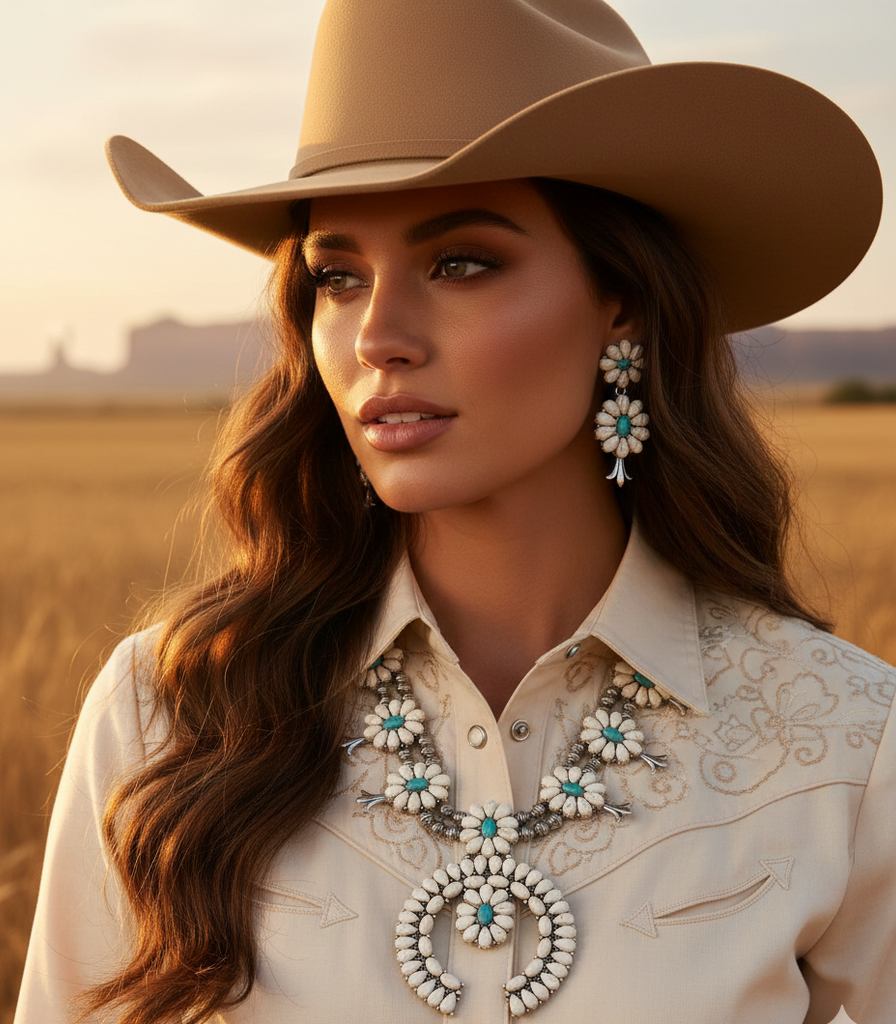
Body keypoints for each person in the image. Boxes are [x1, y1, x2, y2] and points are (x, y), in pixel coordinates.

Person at [15, 1, 894, 1022]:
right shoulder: (164, 713)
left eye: (459, 263)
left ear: (623, 301)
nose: (377, 334)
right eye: (336, 276)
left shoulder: (843, 741)